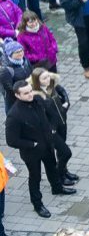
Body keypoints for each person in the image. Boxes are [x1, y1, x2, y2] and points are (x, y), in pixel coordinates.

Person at [4, 79, 73, 218]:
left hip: (47, 145)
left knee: (52, 167)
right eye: (26, 93)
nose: (30, 94)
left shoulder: (37, 99)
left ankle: (57, 188)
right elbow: (11, 140)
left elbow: (50, 112)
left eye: (30, 91)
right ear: (17, 95)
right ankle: (37, 204)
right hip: (32, 153)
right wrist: (32, 144)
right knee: (35, 177)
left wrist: (52, 129)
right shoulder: (14, 115)